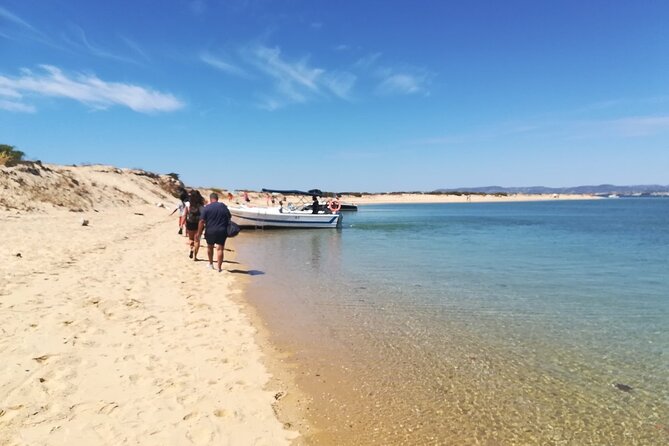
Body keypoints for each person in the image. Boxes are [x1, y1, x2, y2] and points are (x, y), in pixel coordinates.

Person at [197, 192, 232, 272]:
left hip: (210, 230)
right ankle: (219, 268)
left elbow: (201, 221)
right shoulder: (223, 207)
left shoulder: (207, 208)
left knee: (210, 247)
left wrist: (199, 233)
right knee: (220, 249)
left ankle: (211, 264)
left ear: (210, 199)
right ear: (217, 199)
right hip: (221, 230)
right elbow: (229, 217)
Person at [185, 190, 205, 260]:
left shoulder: (188, 204)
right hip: (198, 223)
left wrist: (185, 223)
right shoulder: (201, 205)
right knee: (197, 240)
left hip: (190, 222)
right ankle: (195, 257)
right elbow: (203, 215)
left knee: (191, 239)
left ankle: (191, 248)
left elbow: (185, 214)